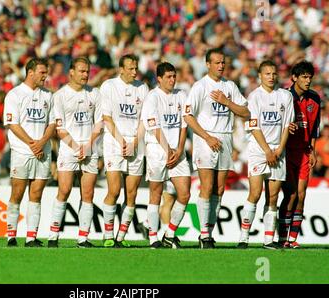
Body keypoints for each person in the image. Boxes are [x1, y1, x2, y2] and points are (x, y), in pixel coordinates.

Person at [183, 48, 249, 249]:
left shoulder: (230, 86)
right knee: (207, 186)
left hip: (226, 139)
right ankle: (204, 235)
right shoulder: (200, 86)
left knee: (220, 189)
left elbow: (245, 111)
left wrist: (226, 102)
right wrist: (207, 137)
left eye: (223, 63)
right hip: (206, 139)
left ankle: (209, 232)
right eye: (217, 63)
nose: (221, 66)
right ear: (208, 64)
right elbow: (188, 116)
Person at [237, 60, 294, 249]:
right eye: (267, 74)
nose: (271, 77)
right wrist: (268, 151)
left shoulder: (285, 97)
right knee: (254, 193)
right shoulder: (254, 97)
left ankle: (268, 239)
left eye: (274, 73)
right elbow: (254, 127)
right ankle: (243, 237)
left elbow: (287, 125)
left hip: (278, 150)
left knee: (273, 196)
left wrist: (279, 149)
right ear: (260, 76)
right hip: (258, 150)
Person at [48, 57, 103, 248]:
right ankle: (53, 236)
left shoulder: (95, 94)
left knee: (88, 194)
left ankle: (83, 238)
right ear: (71, 72)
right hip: (69, 149)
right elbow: (59, 128)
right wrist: (76, 147)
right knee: (64, 190)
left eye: (87, 71)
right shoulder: (60, 96)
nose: (85, 75)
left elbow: (99, 124)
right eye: (81, 71)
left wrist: (88, 146)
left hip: (90, 148)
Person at [3, 58, 56, 247]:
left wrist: (41, 143)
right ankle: (11, 235)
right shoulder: (15, 95)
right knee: (17, 193)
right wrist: (32, 144)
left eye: (46, 72)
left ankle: (31, 237)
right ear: (30, 72)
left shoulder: (49, 96)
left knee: (37, 193)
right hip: (22, 151)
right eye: (42, 72)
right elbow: (12, 124)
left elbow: (52, 123)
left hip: (43, 151)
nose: (45, 76)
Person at [100, 54, 149, 248]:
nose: (134, 72)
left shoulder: (142, 88)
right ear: (121, 69)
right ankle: (107, 235)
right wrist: (123, 142)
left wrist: (135, 143)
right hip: (114, 144)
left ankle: (120, 237)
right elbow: (107, 118)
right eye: (130, 68)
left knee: (132, 194)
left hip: (136, 145)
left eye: (135, 68)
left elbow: (144, 120)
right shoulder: (109, 86)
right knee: (114, 190)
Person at [141, 62, 191, 249]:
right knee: (156, 193)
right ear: (159, 79)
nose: (172, 80)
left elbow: (184, 125)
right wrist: (168, 149)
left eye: (174, 76)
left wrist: (178, 149)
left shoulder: (181, 95)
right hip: (156, 150)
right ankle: (153, 237)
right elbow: (154, 127)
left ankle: (169, 234)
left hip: (177, 152)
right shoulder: (152, 98)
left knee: (184, 194)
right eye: (168, 77)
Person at [278, 61, 321, 249]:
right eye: (304, 77)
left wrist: (313, 150)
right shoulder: (284, 97)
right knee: (291, 194)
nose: (308, 80)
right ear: (294, 78)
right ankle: (281, 238)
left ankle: (293, 239)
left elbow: (315, 128)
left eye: (309, 77)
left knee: (302, 195)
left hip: (304, 152)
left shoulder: (315, 98)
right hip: (287, 152)